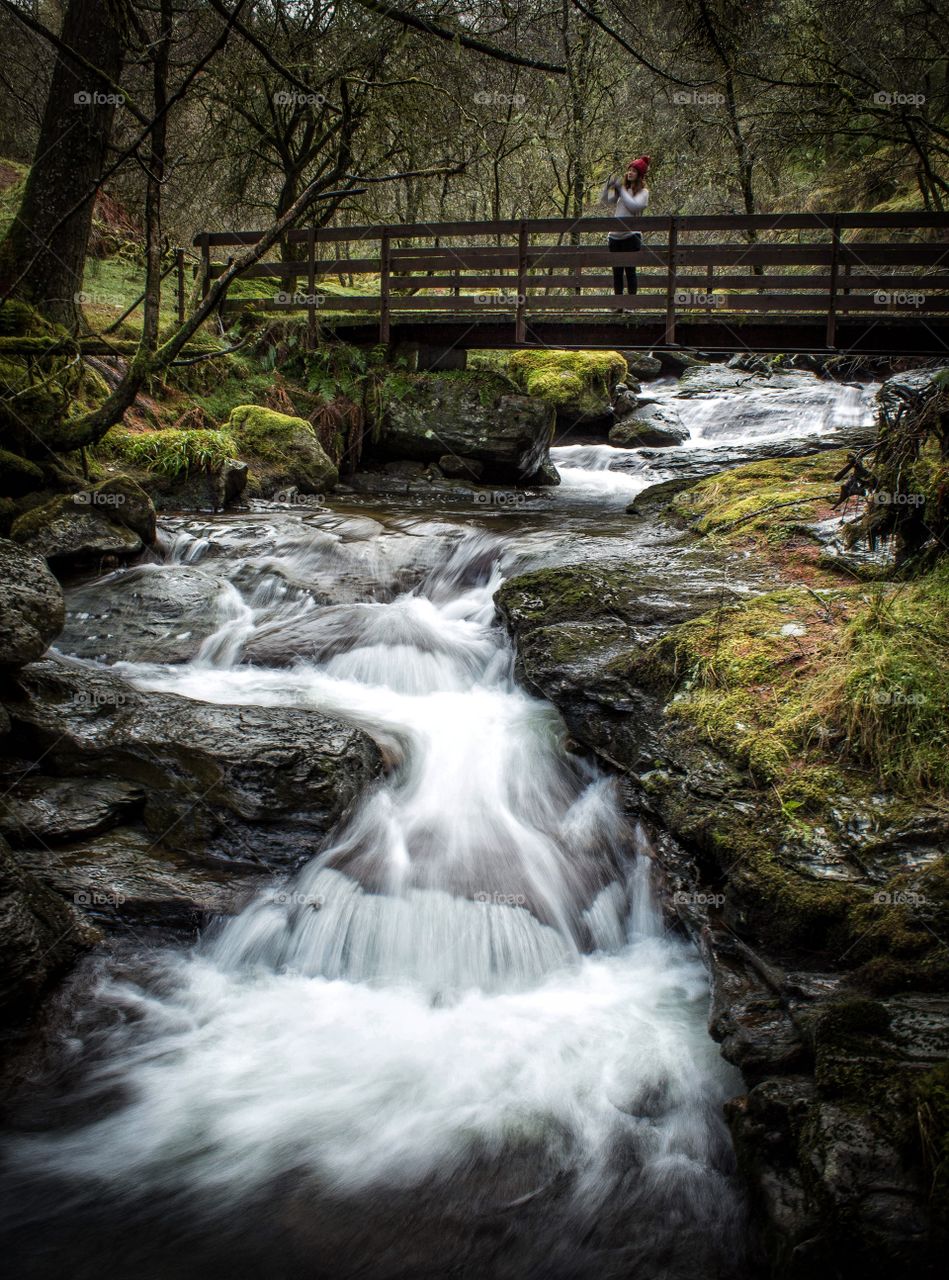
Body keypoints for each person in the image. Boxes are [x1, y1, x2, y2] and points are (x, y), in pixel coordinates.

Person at [601, 155, 650, 297]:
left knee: (630, 271)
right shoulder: (623, 190)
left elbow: (634, 206)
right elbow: (607, 200)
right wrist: (609, 186)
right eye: (629, 170)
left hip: (631, 236)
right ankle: (618, 304)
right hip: (615, 237)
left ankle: (631, 305)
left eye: (634, 171)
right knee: (617, 273)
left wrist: (621, 190)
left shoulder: (643, 192)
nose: (630, 173)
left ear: (639, 175)